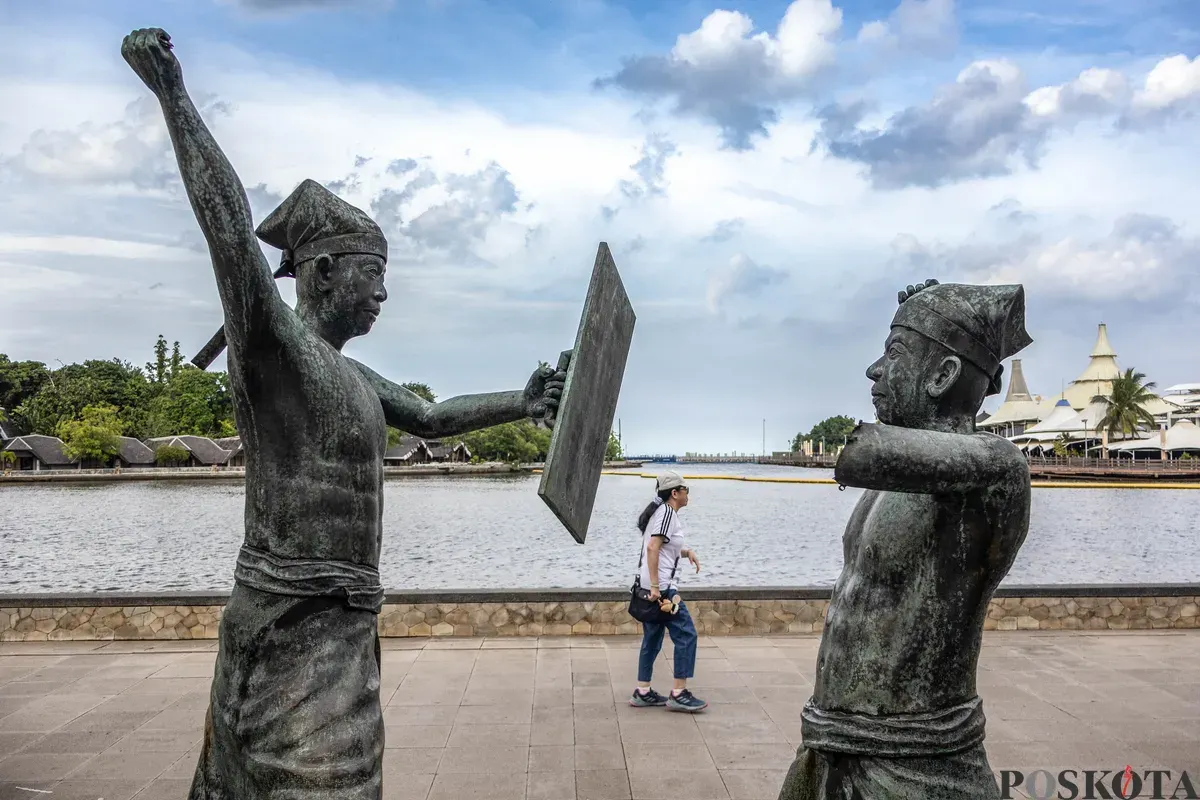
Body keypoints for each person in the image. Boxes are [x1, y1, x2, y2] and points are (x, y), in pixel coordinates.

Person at [120, 28, 571, 800]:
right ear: (324, 272)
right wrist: (175, 98)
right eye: (374, 277)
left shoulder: (355, 377)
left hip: (349, 625)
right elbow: (228, 228)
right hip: (286, 624)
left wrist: (523, 403)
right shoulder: (273, 350)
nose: (384, 295)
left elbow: (430, 416)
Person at [777, 279, 1034, 800]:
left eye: (894, 353)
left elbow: (864, 453)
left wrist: (936, 308)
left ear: (941, 375)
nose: (874, 370)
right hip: (833, 741)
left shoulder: (997, 471)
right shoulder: (889, 492)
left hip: (916, 762)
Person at [630, 471, 707, 713]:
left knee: (652, 638)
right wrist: (655, 587)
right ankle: (679, 693)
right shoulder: (667, 513)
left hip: (653, 584)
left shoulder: (661, 513)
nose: (688, 494)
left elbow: (662, 546)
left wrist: (686, 552)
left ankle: (643, 691)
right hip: (662, 589)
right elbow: (653, 547)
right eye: (686, 490)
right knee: (687, 635)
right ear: (675, 493)